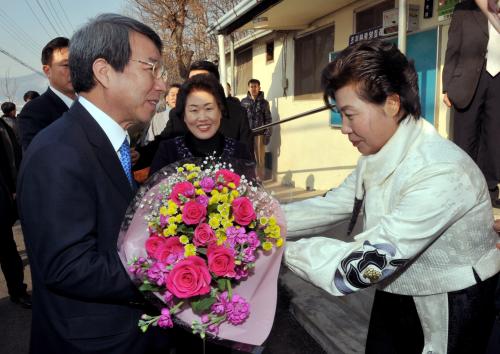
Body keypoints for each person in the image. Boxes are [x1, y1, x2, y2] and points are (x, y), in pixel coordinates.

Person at [283, 40, 500, 354]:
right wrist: (257, 220)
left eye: (349, 114)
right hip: (395, 288)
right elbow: (333, 204)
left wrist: (274, 248)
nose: (344, 128)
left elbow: (362, 269)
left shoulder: (441, 172)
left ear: (392, 104)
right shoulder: (377, 156)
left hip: (448, 306)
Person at [17, 14, 170, 353]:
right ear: (104, 71)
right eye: (151, 68)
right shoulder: (58, 150)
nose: (160, 84)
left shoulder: (103, 140)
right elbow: (67, 266)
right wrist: (169, 265)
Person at [442, 0, 500, 207]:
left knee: (494, 138)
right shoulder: (464, 9)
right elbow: (452, 49)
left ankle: (490, 190)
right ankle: (463, 190)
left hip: (498, 80)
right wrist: (446, 86)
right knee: (465, 138)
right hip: (468, 80)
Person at [150, 74, 252, 175]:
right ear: (184, 115)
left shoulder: (239, 151)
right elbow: (152, 189)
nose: (202, 118)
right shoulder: (168, 151)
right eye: (194, 110)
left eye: (209, 108)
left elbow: (252, 188)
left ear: (221, 111)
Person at [159, 60, 253, 150]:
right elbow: (159, 148)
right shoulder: (177, 113)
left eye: (202, 80)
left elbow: (247, 156)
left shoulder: (237, 113)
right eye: (191, 81)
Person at [18, 37, 76, 150]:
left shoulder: (92, 105)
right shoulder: (34, 112)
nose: (74, 70)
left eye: (77, 63)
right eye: (66, 65)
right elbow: (38, 160)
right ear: (47, 70)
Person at [0, 112, 29, 309]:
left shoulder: (3, 126)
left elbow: (12, 159)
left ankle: (18, 291)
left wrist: (14, 188)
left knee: (7, 249)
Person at [241, 79, 272, 177]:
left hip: (259, 134)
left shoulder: (264, 103)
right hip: (247, 135)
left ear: (259, 88)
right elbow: (241, 119)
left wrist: (267, 134)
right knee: (247, 158)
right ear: (248, 88)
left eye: (255, 87)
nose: (253, 89)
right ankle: (250, 179)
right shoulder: (243, 102)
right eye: (252, 87)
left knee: (260, 159)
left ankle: (259, 180)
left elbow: (268, 119)